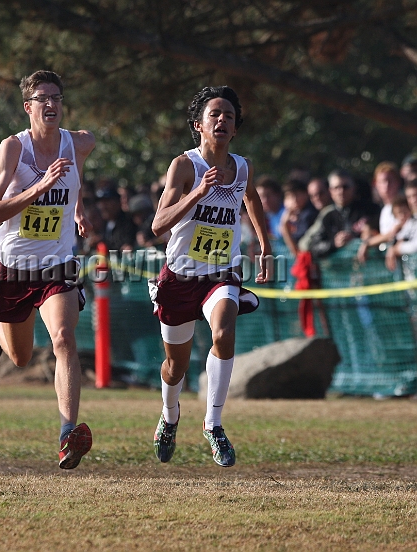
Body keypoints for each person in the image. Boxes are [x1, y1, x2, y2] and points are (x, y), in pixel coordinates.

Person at [149, 86, 271, 468]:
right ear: (198, 125)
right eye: (214, 114)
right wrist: (197, 193)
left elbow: (251, 198)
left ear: (235, 130)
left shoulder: (243, 167)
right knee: (176, 366)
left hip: (221, 272)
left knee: (223, 332)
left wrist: (266, 247)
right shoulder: (184, 167)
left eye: (229, 116)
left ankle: (213, 424)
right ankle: (169, 416)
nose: (222, 120)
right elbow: (158, 224)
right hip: (180, 277)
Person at [0, 70, 95, 470]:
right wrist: (39, 188)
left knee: (63, 339)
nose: (51, 104)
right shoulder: (13, 149)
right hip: (13, 267)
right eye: (42, 98)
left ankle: (67, 433)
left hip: (57, 265)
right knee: (22, 357)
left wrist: (77, 207)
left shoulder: (79, 142)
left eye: (57, 98)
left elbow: (78, 176)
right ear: (28, 107)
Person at [302, 169, 380, 259]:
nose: (341, 191)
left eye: (345, 187)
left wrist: (356, 239)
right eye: (336, 188)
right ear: (330, 191)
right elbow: (314, 247)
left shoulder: (371, 210)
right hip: (339, 270)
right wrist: (334, 244)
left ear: (354, 187)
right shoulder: (328, 216)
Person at [278, 179, 318, 257]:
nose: (293, 200)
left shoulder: (309, 215)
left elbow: (298, 252)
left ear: (306, 194)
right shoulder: (297, 215)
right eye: (289, 196)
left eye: (296, 195)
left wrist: (284, 226)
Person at [385, 182, 417, 272]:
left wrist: (397, 249)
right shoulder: (410, 221)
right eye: (409, 197)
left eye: (415, 195)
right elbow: (400, 239)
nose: (413, 200)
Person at [254, 175, 284, 239]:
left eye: (268, 195)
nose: (264, 200)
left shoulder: (287, 214)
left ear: (278, 195)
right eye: (260, 197)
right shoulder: (269, 216)